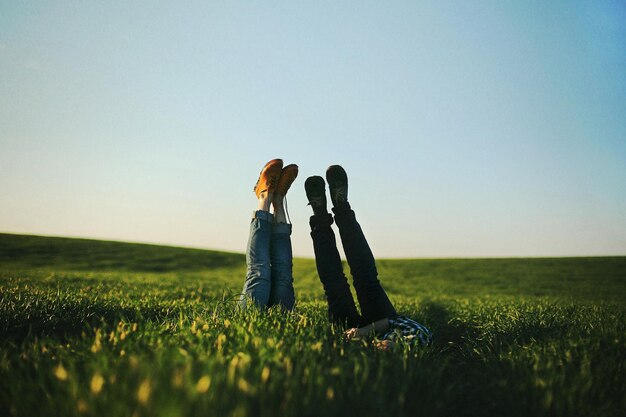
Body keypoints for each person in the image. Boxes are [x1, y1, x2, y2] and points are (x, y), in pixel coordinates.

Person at [305, 165, 432, 349]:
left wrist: (365, 342)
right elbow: (401, 324)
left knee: (334, 286)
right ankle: (342, 207)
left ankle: (319, 215)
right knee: (366, 279)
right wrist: (365, 332)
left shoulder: (361, 360)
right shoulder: (417, 343)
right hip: (380, 320)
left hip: (350, 335)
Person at [240, 158, 298, 310]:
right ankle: (276, 199)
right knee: (283, 276)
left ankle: (265, 197)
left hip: (250, 320)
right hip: (282, 318)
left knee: (259, 271)